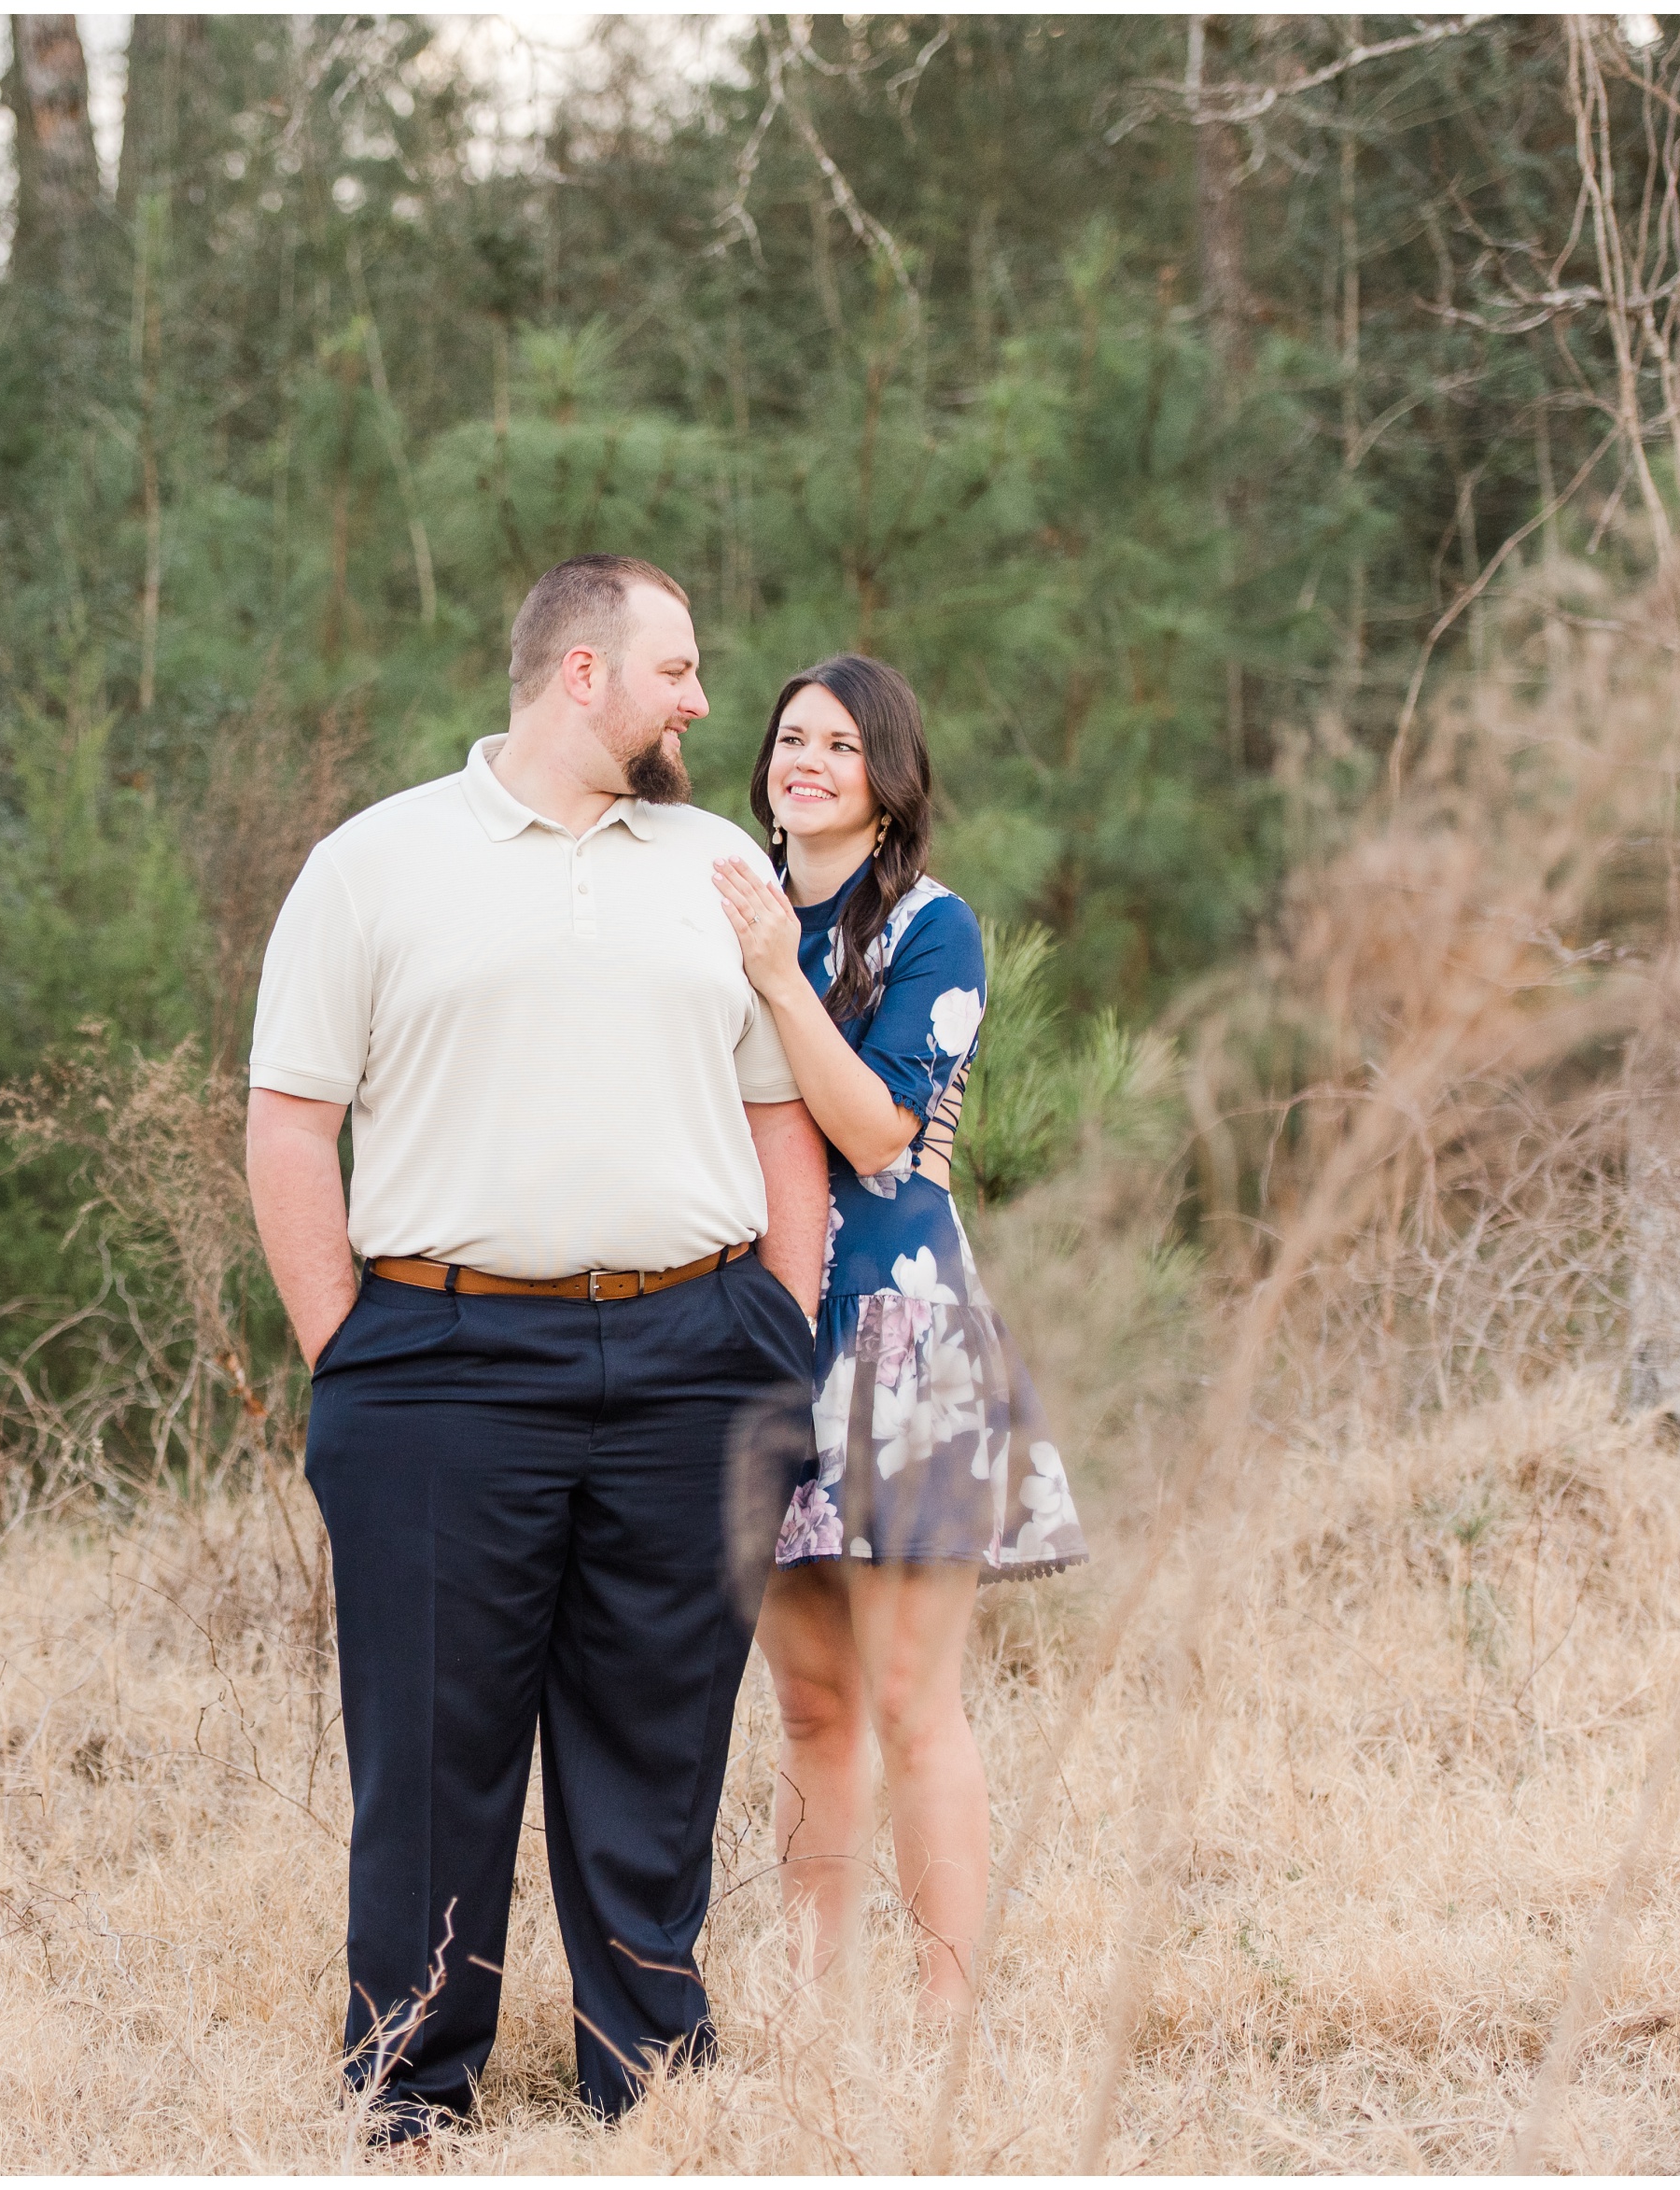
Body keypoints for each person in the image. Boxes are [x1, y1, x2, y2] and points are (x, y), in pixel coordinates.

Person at [245, 555, 829, 2141]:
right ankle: (411, 2092)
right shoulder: (372, 866)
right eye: (679, 669)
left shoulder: (718, 866)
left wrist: (773, 1332)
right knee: (434, 1744)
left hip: (697, 1356)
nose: (708, 702)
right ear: (583, 673)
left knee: (660, 1734)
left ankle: (650, 2086)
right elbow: (291, 1122)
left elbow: (783, 1118)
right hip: (438, 1362)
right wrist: (345, 1352)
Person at [707, 653, 1089, 2015]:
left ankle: (947, 2004)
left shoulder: (933, 926)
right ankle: (821, 1994)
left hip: (898, 1341)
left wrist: (776, 974)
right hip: (757, 1337)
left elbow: (880, 1133)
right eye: (789, 739)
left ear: (887, 781)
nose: (804, 760)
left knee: (914, 1692)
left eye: (838, 746)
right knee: (811, 1699)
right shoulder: (724, 908)